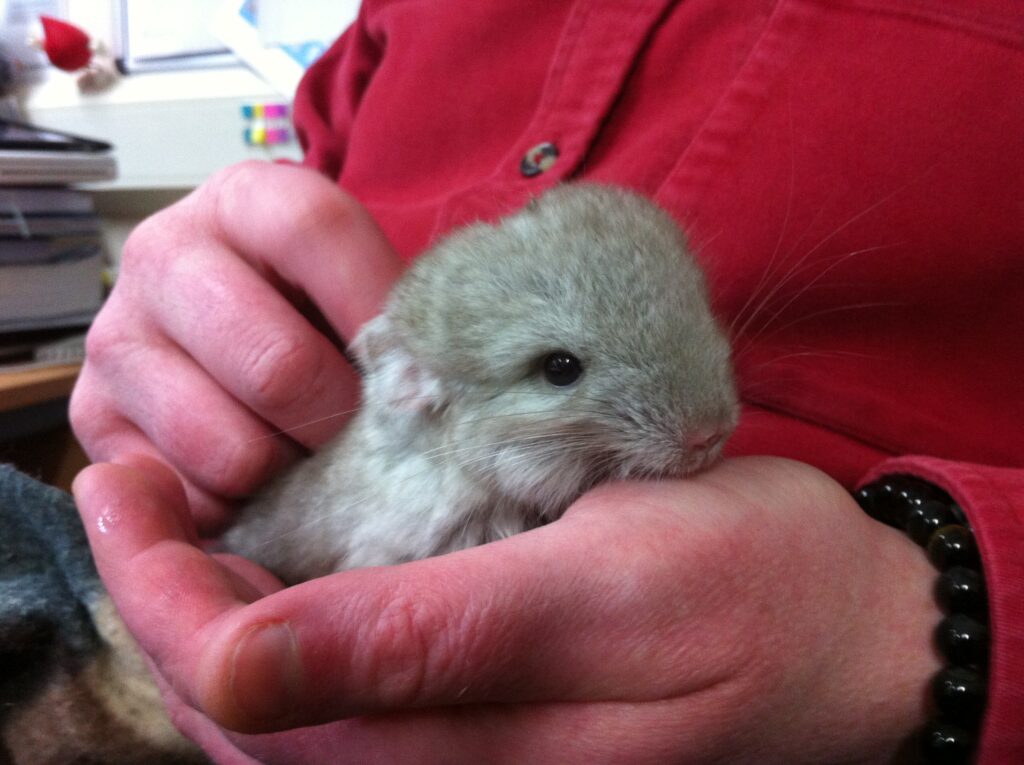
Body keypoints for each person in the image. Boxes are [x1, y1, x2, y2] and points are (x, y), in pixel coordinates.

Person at [68, 1, 1023, 762]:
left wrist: (949, 615)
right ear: (415, 383)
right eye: (563, 370)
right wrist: (216, 306)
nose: (704, 425)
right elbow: (300, 187)